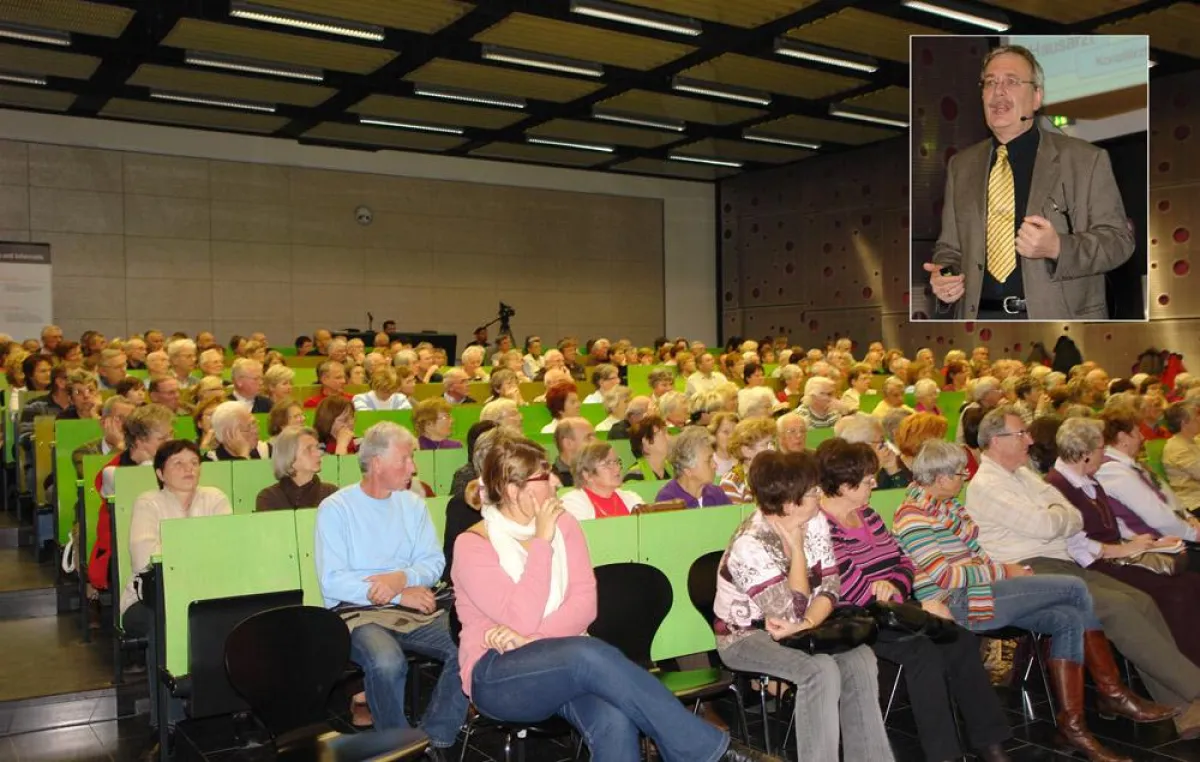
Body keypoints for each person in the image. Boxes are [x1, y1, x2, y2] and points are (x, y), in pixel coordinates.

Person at [450, 436, 772, 762]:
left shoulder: (565, 525)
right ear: (512, 490)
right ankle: (706, 751)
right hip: (497, 674)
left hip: (566, 662)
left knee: (614, 719)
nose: (556, 483)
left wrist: (532, 639)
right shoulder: (474, 544)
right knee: (585, 652)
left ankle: (697, 749)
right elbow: (520, 616)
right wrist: (541, 543)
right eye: (543, 477)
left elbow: (584, 605)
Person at [897, 439, 1169, 761]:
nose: (964, 479)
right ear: (940, 479)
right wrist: (1005, 572)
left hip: (981, 590)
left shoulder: (947, 507)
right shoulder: (913, 518)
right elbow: (946, 578)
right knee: (1073, 588)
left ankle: (1073, 726)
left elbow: (974, 559)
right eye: (959, 474)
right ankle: (1110, 693)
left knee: (1067, 617)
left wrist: (1001, 571)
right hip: (958, 602)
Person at [966, 407, 1200, 735]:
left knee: (1140, 599)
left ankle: (1183, 707)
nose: (1029, 440)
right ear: (995, 441)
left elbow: (1071, 516)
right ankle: (1194, 694)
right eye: (1021, 434)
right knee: (1119, 608)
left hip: (1062, 562)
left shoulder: (1022, 475)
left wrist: (1057, 516)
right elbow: (1046, 523)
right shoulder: (987, 485)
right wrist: (1057, 516)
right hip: (1030, 571)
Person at [816, 438, 1013, 762]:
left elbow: (904, 562)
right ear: (843, 484)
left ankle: (989, 740)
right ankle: (945, 755)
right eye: (866, 480)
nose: (874, 483)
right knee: (924, 653)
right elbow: (847, 589)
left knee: (960, 639)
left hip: (892, 610)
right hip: (851, 620)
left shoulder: (868, 515)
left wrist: (892, 585)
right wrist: (896, 596)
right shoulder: (821, 527)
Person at [925, 45, 1134, 320]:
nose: (998, 91)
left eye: (1011, 81)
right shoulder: (960, 166)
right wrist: (945, 275)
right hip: (978, 321)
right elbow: (949, 248)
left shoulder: (1086, 160)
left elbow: (1119, 241)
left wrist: (1059, 247)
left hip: (1058, 320)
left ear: (1036, 97)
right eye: (990, 82)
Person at [715, 450, 894, 762]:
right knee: (819, 670)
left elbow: (831, 585)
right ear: (788, 503)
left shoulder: (814, 520)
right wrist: (797, 550)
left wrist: (810, 623)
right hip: (745, 637)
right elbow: (788, 613)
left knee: (861, 658)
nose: (819, 495)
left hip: (802, 627)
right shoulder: (750, 544)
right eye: (813, 491)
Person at [315, 423, 467, 753]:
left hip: (411, 606)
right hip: (357, 612)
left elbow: (433, 563)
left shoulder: (412, 505)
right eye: (405, 458)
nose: (413, 467)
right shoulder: (337, 508)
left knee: (468, 643)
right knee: (387, 663)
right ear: (377, 462)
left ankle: (434, 736)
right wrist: (401, 592)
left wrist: (401, 578)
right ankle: (397, 746)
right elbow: (334, 581)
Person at [1045, 417, 1200, 670]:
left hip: (1116, 554)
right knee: (1175, 593)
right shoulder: (1056, 486)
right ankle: (1186, 668)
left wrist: (1148, 543)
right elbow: (1076, 543)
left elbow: (1113, 524)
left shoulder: (1089, 480)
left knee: (1191, 582)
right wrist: (1123, 548)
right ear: (1085, 454)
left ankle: (1190, 660)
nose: (1103, 455)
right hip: (1094, 563)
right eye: (1100, 450)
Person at [1095, 408, 1200, 545]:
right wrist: (1192, 534)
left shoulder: (1128, 464)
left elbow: (1167, 495)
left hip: (1172, 534)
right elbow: (1158, 516)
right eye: (1137, 432)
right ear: (1123, 438)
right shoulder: (1113, 471)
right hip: (1155, 544)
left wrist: (1188, 517)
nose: (1142, 437)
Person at [256, 426, 337, 511]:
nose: (318, 453)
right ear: (289, 456)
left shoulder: (331, 493)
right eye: (308, 449)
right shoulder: (269, 498)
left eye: (317, 447)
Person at [561, 442, 643, 521]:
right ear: (587, 475)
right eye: (608, 464)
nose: (617, 468)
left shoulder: (632, 499)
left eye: (617, 462)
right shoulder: (573, 503)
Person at [656, 427, 729, 507]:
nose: (715, 465)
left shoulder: (717, 494)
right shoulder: (668, 500)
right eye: (708, 461)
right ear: (688, 470)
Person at [71, 396, 133, 478]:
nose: (126, 424)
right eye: (120, 418)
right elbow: (96, 482)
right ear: (103, 422)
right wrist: (119, 447)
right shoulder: (84, 452)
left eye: (131, 419)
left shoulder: (140, 449)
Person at [719, 418, 777, 504]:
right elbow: (738, 516)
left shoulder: (778, 476)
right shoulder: (731, 482)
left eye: (773, 443)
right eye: (766, 444)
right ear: (746, 450)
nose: (773, 449)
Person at [1160, 401, 1200, 513]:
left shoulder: (1194, 440)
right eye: (1196, 417)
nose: (1199, 419)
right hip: (1193, 502)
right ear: (1184, 423)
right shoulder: (1177, 448)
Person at [623, 415, 673, 483]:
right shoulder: (634, 477)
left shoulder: (673, 470)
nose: (670, 437)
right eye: (663, 433)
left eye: (668, 432)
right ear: (646, 442)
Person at [551, 417, 594, 488]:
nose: (596, 442)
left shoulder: (600, 472)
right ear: (568, 443)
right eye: (588, 438)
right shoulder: (551, 479)